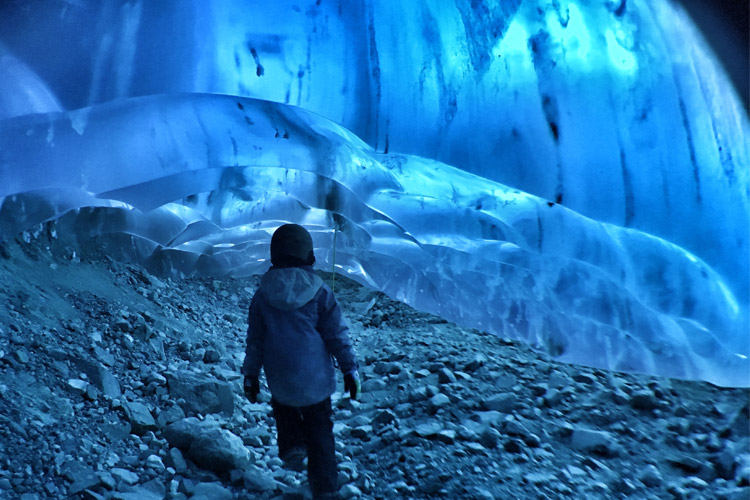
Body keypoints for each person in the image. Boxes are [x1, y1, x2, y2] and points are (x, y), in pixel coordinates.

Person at [242, 223, 360, 500]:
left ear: (274, 256)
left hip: (280, 377)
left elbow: (255, 341)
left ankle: (292, 446)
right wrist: (349, 369)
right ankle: (325, 485)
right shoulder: (320, 292)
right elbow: (336, 335)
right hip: (315, 378)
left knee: (284, 409)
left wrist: (250, 376)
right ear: (310, 256)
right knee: (320, 428)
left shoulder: (262, 295)